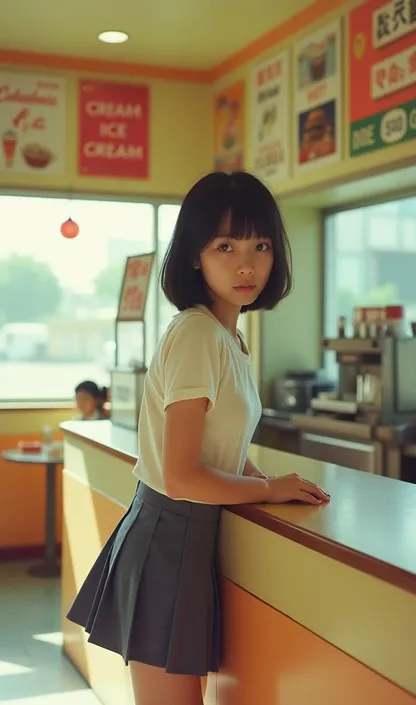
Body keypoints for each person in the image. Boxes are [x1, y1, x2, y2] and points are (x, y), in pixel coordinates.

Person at [66, 171, 330, 705]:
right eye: (225, 246)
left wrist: (256, 473)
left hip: (182, 536)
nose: (247, 264)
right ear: (193, 256)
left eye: (261, 245)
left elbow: (218, 440)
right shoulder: (196, 334)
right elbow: (183, 473)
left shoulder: (226, 334)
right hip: (168, 535)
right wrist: (266, 489)